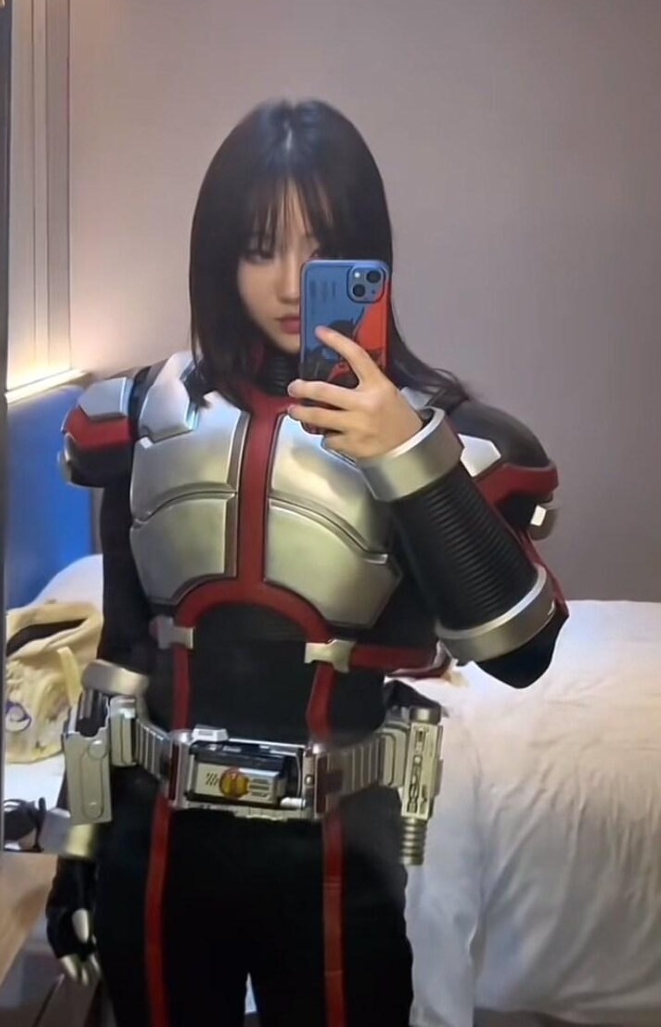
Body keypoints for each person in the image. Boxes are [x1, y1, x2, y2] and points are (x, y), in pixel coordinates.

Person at [45, 99, 568, 1027]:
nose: (290, 282)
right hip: (158, 842)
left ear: (368, 257)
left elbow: (521, 653)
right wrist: (77, 844)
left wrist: (408, 453)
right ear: (218, 258)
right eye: (259, 248)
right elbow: (124, 654)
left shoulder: (444, 433)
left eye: (321, 249)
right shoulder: (142, 414)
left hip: (338, 851)